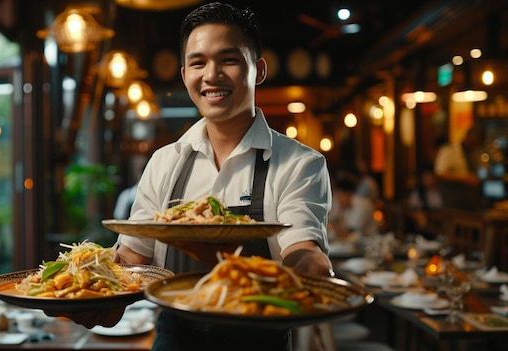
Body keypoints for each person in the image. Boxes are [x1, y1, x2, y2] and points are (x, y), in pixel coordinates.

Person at [54, 3, 333, 350]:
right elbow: (133, 260)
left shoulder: (299, 163)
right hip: (174, 338)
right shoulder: (164, 162)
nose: (211, 74)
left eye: (229, 59)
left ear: (258, 70)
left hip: (259, 341)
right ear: (185, 73)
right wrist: (91, 290)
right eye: (198, 62)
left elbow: (301, 251)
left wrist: (315, 269)